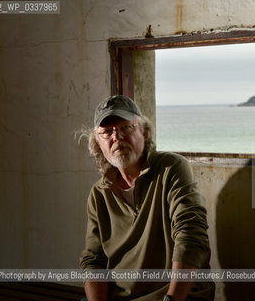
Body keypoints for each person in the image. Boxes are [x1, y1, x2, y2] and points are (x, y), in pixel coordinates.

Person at [79, 95, 215, 301]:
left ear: (144, 131)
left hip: (176, 296)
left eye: (125, 127)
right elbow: (93, 260)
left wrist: (172, 299)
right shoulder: (99, 193)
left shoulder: (171, 168)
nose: (117, 137)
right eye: (107, 132)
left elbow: (190, 234)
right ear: (98, 143)